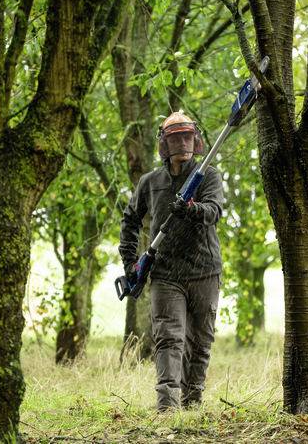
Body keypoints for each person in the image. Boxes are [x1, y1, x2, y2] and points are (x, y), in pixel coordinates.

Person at [119, 111, 225, 411]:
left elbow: (214, 211)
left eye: (187, 136)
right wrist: (130, 263)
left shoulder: (209, 176)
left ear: (196, 139)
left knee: (201, 341)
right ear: (164, 144)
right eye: (176, 137)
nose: (183, 142)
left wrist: (191, 209)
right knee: (169, 337)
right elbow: (130, 222)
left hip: (205, 271)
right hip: (165, 273)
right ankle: (168, 406)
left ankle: (192, 403)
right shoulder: (150, 182)